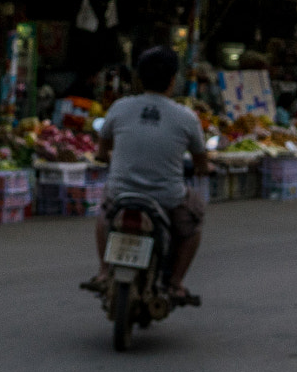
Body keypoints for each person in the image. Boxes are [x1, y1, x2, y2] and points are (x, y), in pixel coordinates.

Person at [85, 46, 211, 303]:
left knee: (104, 215)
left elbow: (101, 151)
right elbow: (201, 160)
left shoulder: (120, 108)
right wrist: (204, 169)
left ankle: (103, 270)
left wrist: (106, 157)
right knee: (193, 225)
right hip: (167, 197)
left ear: (139, 78)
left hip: (122, 193)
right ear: (173, 79)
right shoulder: (186, 117)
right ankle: (175, 283)